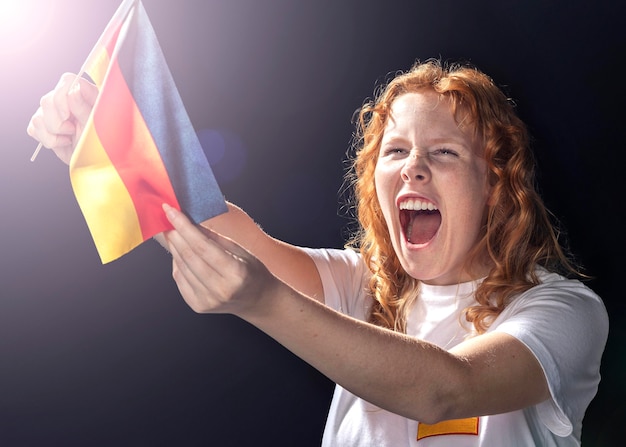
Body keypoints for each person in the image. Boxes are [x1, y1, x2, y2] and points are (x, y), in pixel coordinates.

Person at [28, 59, 608, 446]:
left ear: (496, 185)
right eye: (396, 149)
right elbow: (225, 231)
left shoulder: (564, 312)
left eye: (446, 153)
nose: (413, 166)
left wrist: (262, 301)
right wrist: (106, 147)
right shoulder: (361, 285)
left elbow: (444, 389)